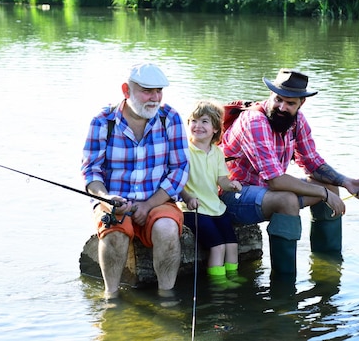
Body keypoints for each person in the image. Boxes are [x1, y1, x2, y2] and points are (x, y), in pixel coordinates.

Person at [220, 68, 359, 276]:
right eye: (278, 99)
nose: (282, 107)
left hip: (266, 192)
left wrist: (346, 182)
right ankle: (284, 284)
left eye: (290, 103)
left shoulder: (297, 121)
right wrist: (323, 194)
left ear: (301, 103)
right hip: (232, 195)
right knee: (288, 200)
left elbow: (312, 162)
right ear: (270, 95)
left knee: (330, 187)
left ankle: (327, 265)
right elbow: (275, 180)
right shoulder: (255, 122)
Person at [81, 63, 190, 304]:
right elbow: (91, 172)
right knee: (115, 233)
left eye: (158, 91)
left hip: (158, 199)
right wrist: (107, 199)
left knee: (167, 228)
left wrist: (149, 204)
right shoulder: (103, 121)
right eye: (147, 91)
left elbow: (180, 168)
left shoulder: (169, 118)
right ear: (126, 90)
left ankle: (166, 296)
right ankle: (111, 298)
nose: (155, 98)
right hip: (115, 201)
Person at [179, 100, 246, 289]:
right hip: (193, 209)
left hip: (215, 207)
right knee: (218, 246)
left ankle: (232, 275)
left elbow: (222, 180)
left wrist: (231, 185)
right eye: (193, 121)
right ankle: (219, 283)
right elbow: (177, 182)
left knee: (232, 244)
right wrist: (188, 198)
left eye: (204, 122)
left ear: (216, 128)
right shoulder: (184, 151)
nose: (197, 126)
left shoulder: (217, 152)